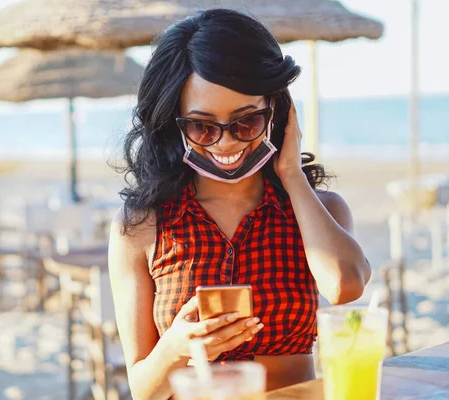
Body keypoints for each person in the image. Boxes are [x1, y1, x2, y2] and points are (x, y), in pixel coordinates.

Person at [108, 9, 371, 399]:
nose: (226, 143)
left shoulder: (321, 210)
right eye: (202, 126)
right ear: (173, 122)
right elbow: (143, 389)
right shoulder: (142, 225)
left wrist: (293, 176)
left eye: (246, 121)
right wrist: (176, 349)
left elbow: (344, 286)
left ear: (276, 112)